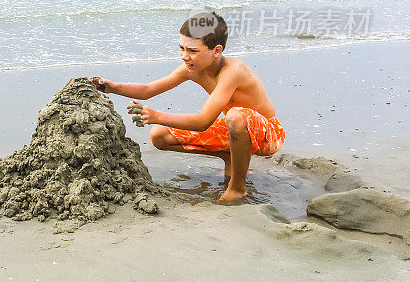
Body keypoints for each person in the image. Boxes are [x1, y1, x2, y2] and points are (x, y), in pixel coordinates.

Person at [91, 11, 285, 204]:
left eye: (192, 51)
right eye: (181, 48)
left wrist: (156, 114)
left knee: (234, 116)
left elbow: (203, 122)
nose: (184, 56)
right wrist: (112, 87)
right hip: (234, 130)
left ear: (217, 51)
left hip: (268, 134)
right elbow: (148, 90)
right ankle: (230, 156)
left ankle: (237, 188)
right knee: (159, 135)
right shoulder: (192, 69)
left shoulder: (233, 71)